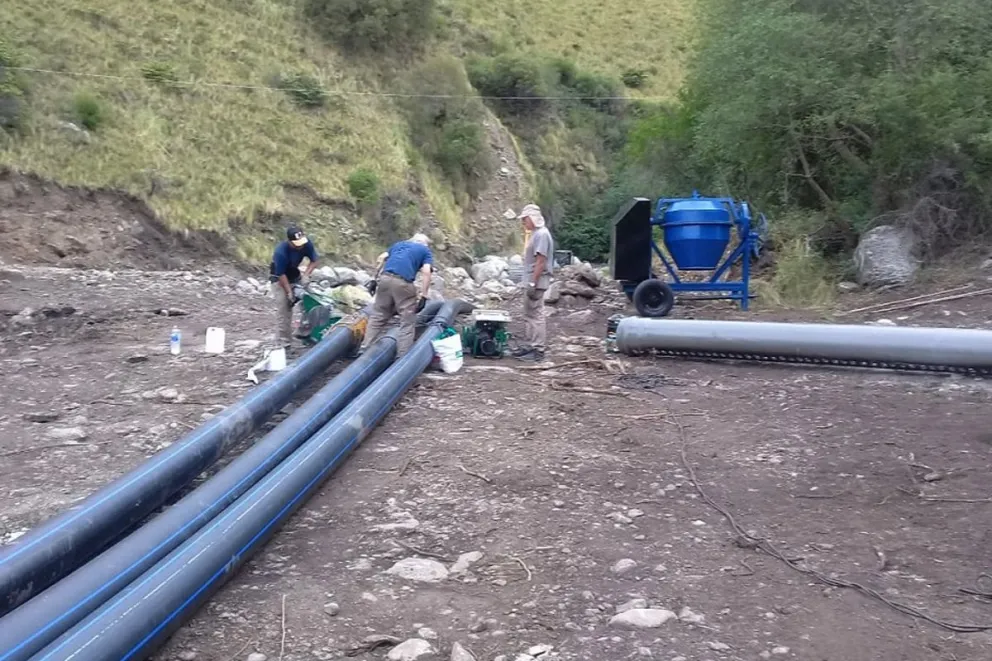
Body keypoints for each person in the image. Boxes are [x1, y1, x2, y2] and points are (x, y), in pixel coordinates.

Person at [360, 233, 433, 358]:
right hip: (403, 283)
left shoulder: (399, 245)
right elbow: (426, 272)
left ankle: (364, 348)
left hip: (385, 279)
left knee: (378, 315)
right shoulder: (425, 250)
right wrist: (424, 296)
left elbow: (381, 258)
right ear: (425, 244)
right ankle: (402, 357)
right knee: (407, 320)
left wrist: (374, 279)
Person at [514, 203, 554, 362]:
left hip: (536, 281)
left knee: (536, 314)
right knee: (530, 314)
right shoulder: (537, 233)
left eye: (525, 219)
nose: (523, 222)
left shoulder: (541, 235)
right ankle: (530, 345)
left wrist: (532, 282)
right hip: (534, 279)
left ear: (532, 218)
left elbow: (540, 261)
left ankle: (537, 349)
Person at [269, 225, 319, 347]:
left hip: (295, 275)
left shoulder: (306, 243)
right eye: (297, 244)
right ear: (290, 242)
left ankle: (304, 332)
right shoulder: (281, 252)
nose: (301, 246)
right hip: (279, 279)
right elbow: (280, 274)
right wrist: (289, 292)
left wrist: (306, 275)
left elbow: (315, 260)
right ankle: (284, 342)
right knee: (284, 309)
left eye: (302, 242)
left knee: (311, 301)